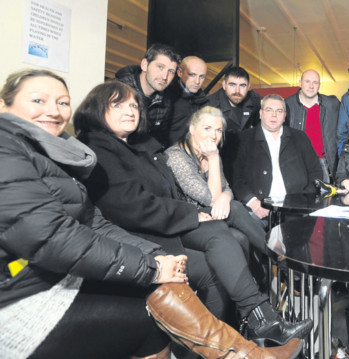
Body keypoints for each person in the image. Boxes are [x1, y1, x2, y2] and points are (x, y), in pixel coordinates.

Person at [0, 69, 302, 359]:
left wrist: (154, 257)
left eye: (62, 102)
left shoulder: (70, 150)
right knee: (214, 246)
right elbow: (99, 219)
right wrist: (153, 264)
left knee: (228, 231)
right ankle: (259, 321)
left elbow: (92, 221)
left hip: (100, 250)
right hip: (33, 286)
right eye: (38, 100)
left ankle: (257, 325)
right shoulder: (81, 149)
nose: (52, 110)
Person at [74, 81, 313, 346]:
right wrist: (195, 210)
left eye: (133, 105)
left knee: (225, 233)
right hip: (143, 232)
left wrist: (215, 183)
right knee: (225, 237)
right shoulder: (103, 147)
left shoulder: (136, 145)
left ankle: (260, 317)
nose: (130, 110)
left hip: (169, 220)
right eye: (118, 104)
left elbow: (225, 190)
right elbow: (134, 204)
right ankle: (261, 307)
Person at [166, 105, 267, 254]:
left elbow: (226, 188)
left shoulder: (210, 152)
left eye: (218, 130)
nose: (213, 136)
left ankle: (264, 269)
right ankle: (278, 255)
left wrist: (225, 198)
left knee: (241, 237)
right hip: (189, 220)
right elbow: (211, 200)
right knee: (237, 210)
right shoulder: (176, 157)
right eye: (207, 128)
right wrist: (213, 158)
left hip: (214, 215)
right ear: (192, 129)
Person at [233, 94, 323, 221]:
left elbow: (316, 172)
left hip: (296, 209)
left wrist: (304, 199)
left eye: (279, 111)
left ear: (285, 115)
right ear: (260, 113)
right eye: (269, 110)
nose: (274, 115)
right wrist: (253, 203)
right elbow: (236, 177)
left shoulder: (300, 137)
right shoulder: (244, 139)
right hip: (257, 209)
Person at [115, 43, 180, 147]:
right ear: (145, 65)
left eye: (171, 71)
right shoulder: (117, 92)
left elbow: (159, 140)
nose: (165, 76)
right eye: (160, 67)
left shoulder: (166, 102)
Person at [207, 66, 261, 184]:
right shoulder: (210, 105)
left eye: (242, 85)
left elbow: (259, 129)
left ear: (248, 87)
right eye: (232, 85)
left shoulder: (254, 100)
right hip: (219, 158)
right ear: (224, 85)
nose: (237, 90)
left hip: (244, 159)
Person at [285, 69, 340, 182]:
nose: (311, 86)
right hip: (297, 164)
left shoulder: (332, 104)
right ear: (300, 83)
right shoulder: (287, 105)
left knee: (326, 198)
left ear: (319, 85)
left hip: (323, 163)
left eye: (315, 82)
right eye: (307, 81)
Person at [166, 55, 209, 146]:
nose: (197, 81)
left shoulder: (203, 102)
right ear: (180, 72)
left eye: (201, 77)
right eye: (192, 75)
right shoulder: (166, 98)